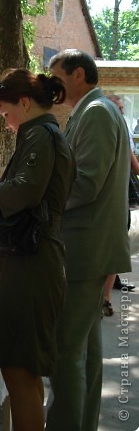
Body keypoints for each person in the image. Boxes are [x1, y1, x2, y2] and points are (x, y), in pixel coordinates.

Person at [0, 69, 76, 431]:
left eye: (6, 114)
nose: (6, 124)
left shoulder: (40, 135)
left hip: (31, 266)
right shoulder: (44, 134)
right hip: (34, 261)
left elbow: (24, 193)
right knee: (26, 373)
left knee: (20, 373)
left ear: (24, 102)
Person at [46, 49, 132, 431]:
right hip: (89, 247)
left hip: (85, 247)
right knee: (85, 349)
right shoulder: (94, 110)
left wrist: (40, 199)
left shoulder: (96, 112)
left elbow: (86, 181)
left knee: (66, 351)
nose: (52, 87)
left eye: (57, 78)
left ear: (78, 74)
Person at [103, 95, 136, 316]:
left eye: (123, 108)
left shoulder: (119, 128)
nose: (122, 112)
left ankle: (105, 296)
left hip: (117, 196)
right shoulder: (112, 129)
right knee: (111, 247)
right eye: (119, 108)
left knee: (111, 248)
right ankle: (103, 296)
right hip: (113, 197)